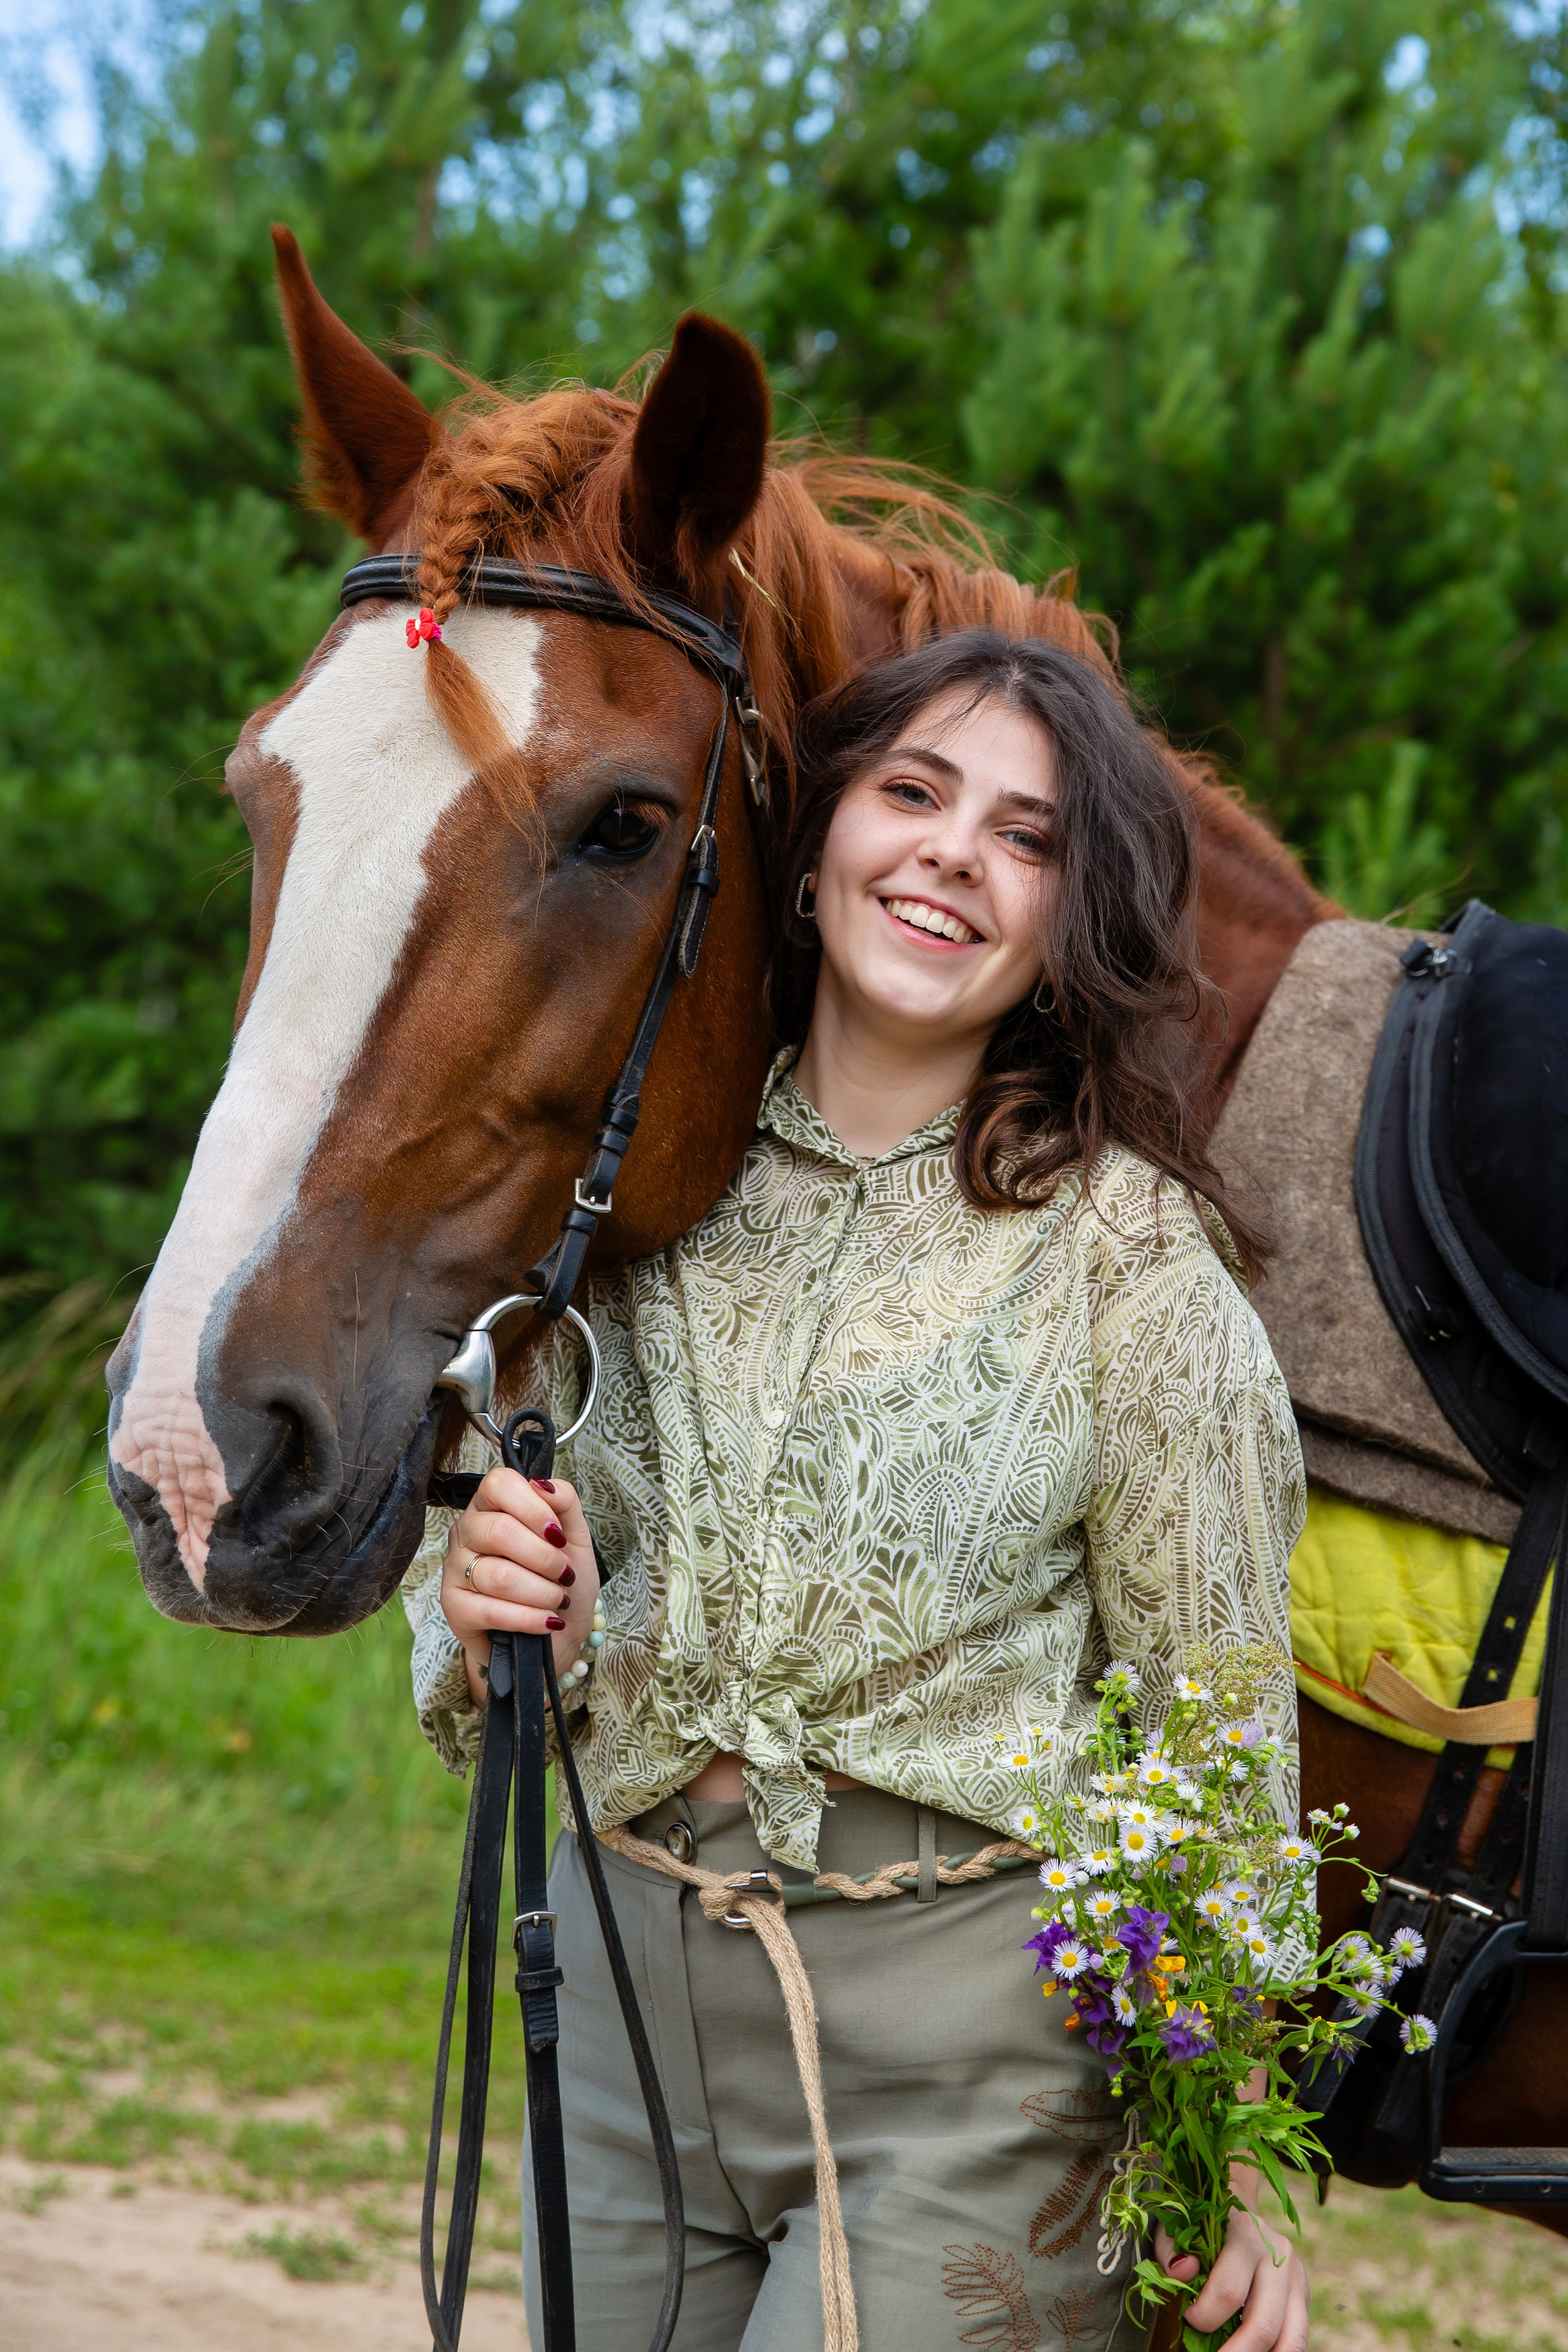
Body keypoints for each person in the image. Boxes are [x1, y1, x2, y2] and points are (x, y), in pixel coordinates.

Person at [401, 630, 1310, 2352]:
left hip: (979, 2074)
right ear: (814, 844)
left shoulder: (1130, 1262)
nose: (956, 852)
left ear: (1065, 926)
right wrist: (495, 1607)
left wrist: (1227, 2152)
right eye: (914, 792)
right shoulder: (626, 1187)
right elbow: (466, 1623)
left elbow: (1223, 1730)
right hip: (615, 2017)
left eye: (1027, 838)